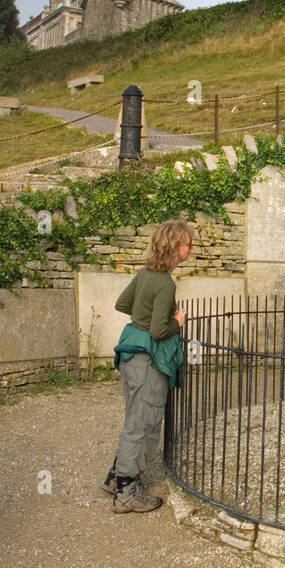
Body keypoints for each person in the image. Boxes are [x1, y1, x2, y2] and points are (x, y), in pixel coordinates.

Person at [101, 219, 192, 513]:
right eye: (188, 243)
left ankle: (115, 478)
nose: (190, 248)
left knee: (134, 419)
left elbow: (122, 304)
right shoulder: (165, 282)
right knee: (143, 423)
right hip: (147, 359)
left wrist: (142, 314)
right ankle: (126, 492)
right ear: (177, 248)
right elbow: (158, 331)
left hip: (129, 353)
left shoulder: (143, 274)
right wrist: (176, 323)